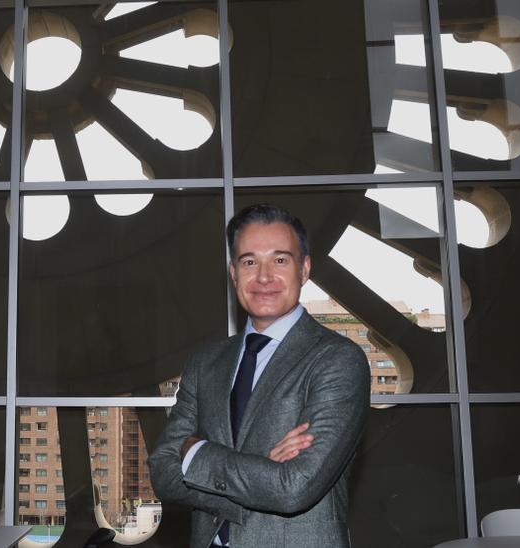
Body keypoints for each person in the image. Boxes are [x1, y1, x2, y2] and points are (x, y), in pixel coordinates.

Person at [148, 203, 370, 547]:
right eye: (249, 261)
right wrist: (261, 471)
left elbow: (295, 489)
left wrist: (195, 453)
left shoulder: (338, 360)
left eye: (280, 260)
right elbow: (163, 473)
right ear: (234, 273)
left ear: (305, 269)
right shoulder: (206, 363)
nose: (264, 276)